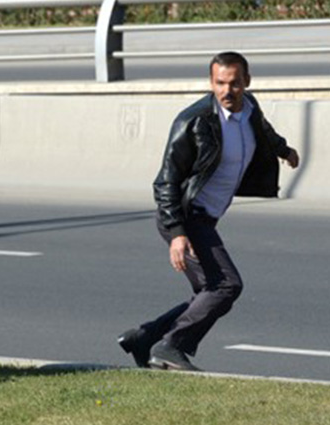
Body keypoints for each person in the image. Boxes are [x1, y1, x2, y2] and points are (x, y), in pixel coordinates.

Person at [118, 51, 300, 371]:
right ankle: (170, 346)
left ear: (247, 82)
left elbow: (263, 132)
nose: (227, 91)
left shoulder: (250, 107)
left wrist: (285, 150)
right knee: (227, 285)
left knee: (209, 292)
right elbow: (165, 181)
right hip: (185, 216)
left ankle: (144, 338)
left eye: (234, 84)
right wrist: (177, 234)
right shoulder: (194, 121)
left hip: (205, 217)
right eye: (219, 83)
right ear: (211, 82)